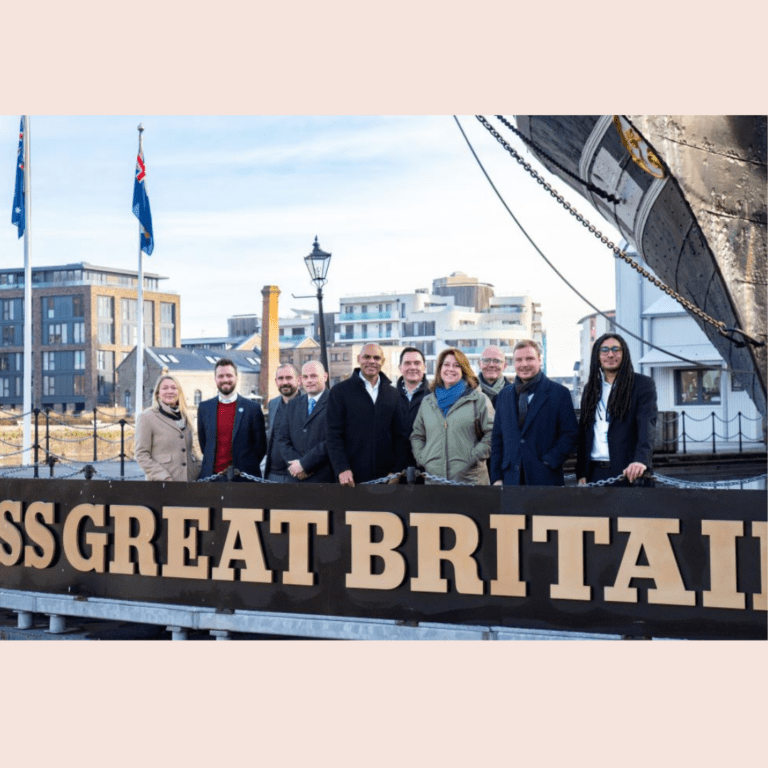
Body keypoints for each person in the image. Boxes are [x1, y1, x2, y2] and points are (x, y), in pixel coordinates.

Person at [490, 339, 577, 486]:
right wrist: (496, 477)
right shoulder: (503, 396)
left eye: (529, 358)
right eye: (519, 360)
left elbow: (570, 435)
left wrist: (550, 462)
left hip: (546, 479)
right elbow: (497, 439)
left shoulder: (559, 393)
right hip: (511, 480)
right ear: (514, 363)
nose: (524, 364)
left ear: (539, 360)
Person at [576, 333, 658, 487]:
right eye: (604, 350)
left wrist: (641, 460)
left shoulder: (642, 385)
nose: (610, 354)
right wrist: (581, 472)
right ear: (597, 356)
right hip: (594, 472)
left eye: (616, 349)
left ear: (624, 353)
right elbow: (585, 432)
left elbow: (647, 426)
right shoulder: (590, 389)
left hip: (631, 471)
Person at [326, 343, 409, 486]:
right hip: (350, 479)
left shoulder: (393, 395)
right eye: (367, 357)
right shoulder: (339, 392)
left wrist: (396, 470)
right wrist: (342, 468)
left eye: (376, 358)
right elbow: (333, 435)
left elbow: (400, 436)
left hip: (386, 480)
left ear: (382, 362)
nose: (371, 361)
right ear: (358, 359)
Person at [411, 347, 494, 484]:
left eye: (456, 366)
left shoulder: (478, 399)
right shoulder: (428, 402)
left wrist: (473, 457)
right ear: (440, 369)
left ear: (464, 370)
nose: (451, 369)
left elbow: (492, 433)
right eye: (446, 365)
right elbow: (417, 435)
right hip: (435, 482)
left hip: (470, 481)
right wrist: (423, 458)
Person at [197, 358, 267, 481]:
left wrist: (246, 466)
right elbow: (204, 445)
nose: (225, 380)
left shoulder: (253, 409)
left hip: (244, 479)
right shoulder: (204, 408)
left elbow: (260, 447)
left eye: (229, 375)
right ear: (215, 379)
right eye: (221, 376)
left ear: (236, 377)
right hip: (212, 478)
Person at [275, 360, 334, 483]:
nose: (309, 380)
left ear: (325, 377)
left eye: (313, 376)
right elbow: (282, 438)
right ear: (301, 379)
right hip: (296, 477)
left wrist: (305, 464)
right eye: (305, 377)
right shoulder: (293, 404)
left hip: (324, 478)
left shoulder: (336, 402)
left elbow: (333, 439)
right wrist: (297, 466)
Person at [135, 374, 200, 481]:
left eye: (174, 388)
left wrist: (199, 468)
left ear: (179, 392)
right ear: (157, 393)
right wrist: (163, 476)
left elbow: (190, 449)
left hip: (190, 481)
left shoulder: (186, 417)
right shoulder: (146, 417)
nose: (170, 391)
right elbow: (141, 454)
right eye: (165, 388)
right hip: (163, 484)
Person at [264, 363, 301, 482]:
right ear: (276, 382)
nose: (285, 382)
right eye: (280, 378)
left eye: (289, 378)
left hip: (298, 476)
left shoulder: (308, 404)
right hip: (272, 475)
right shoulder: (273, 404)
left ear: (299, 380)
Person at [396, 347, 430, 471]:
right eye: (407, 363)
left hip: (428, 469)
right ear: (400, 367)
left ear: (424, 367)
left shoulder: (436, 395)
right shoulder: (389, 396)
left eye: (417, 363)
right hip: (396, 471)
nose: (412, 367)